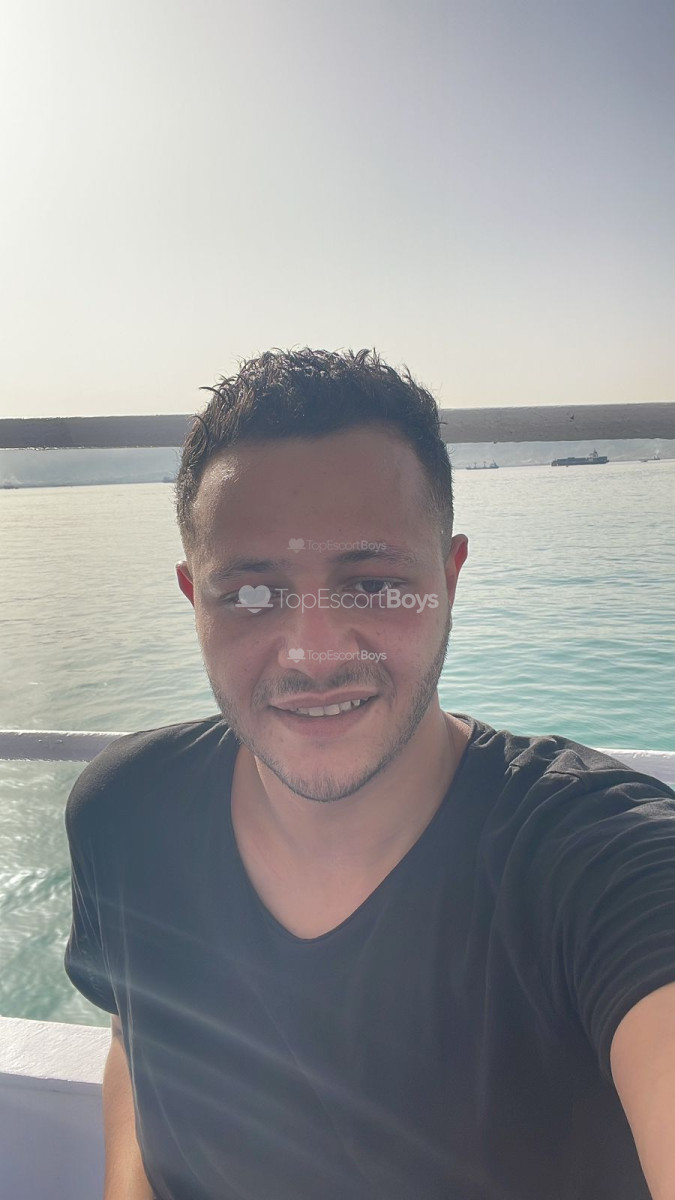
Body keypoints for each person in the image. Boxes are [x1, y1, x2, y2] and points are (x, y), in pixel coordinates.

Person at [65, 347, 675, 1200]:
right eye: (250, 594)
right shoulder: (127, 814)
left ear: (449, 580)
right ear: (194, 598)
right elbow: (137, 1040)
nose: (312, 654)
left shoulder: (600, 864)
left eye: (375, 585)